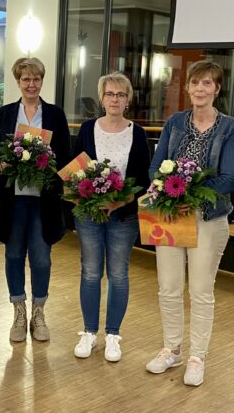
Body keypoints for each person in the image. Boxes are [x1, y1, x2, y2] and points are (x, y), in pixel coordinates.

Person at [145, 60, 234, 386]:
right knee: (169, 287)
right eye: (195, 83)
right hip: (171, 214)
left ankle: (197, 357)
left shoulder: (229, 127)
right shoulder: (174, 122)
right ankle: (171, 350)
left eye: (207, 83)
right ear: (187, 87)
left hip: (208, 218)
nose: (200, 89)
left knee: (200, 290)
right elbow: (155, 168)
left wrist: (189, 194)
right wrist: (170, 192)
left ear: (217, 89)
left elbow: (230, 177)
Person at [0, 57, 70, 342]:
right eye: (26, 79)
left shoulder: (55, 114)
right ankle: (19, 313)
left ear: (42, 81)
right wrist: (1, 164)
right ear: (18, 82)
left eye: (36, 79)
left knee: (42, 259)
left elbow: (65, 155)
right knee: (13, 256)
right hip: (13, 200)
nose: (31, 84)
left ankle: (39, 313)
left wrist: (50, 165)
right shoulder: (6, 112)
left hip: (43, 201)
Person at [72, 72, 150, 362]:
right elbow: (75, 168)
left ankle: (113, 335)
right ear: (101, 98)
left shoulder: (137, 133)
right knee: (91, 272)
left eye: (120, 94)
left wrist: (122, 200)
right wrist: (86, 196)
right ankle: (89, 332)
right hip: (89, 213)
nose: (115, 99)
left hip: (124, 215)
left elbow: (143, 178)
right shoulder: (87, 129)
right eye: (110, 94)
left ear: (128, 100)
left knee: (118, 274)